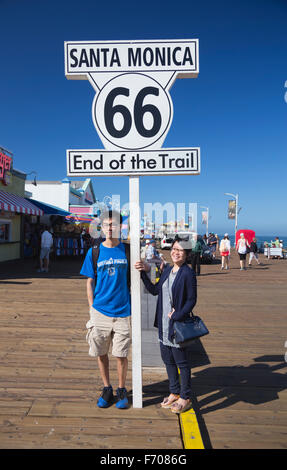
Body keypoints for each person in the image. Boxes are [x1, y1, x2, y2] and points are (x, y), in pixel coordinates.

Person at [135, 237, 197, 414]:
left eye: (181, 250)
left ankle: (185, 397)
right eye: (174, 249)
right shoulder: (168, 269)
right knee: (168, 361)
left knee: (182, 363)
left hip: (177, 325)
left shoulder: (187, 273)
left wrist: (178, 314)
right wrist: (142, 273)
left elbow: (192, 300)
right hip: (163, 325)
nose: (176, 252)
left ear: (186, 254)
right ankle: (174, 392)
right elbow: (155, 290)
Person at [80, 210, 131, 409]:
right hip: (100, 311)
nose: (110, 228)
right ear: (101, 228)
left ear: (119, 227)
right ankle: (107, 387)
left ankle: (121, 389)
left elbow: (138, 272)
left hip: (123, 312)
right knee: (101, 353)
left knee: (121, 354)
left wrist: (144, 266)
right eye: (107, 225)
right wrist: (92, 308)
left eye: (114, 224)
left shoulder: (127, 250)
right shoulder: (94, 251)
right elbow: (89, 281)